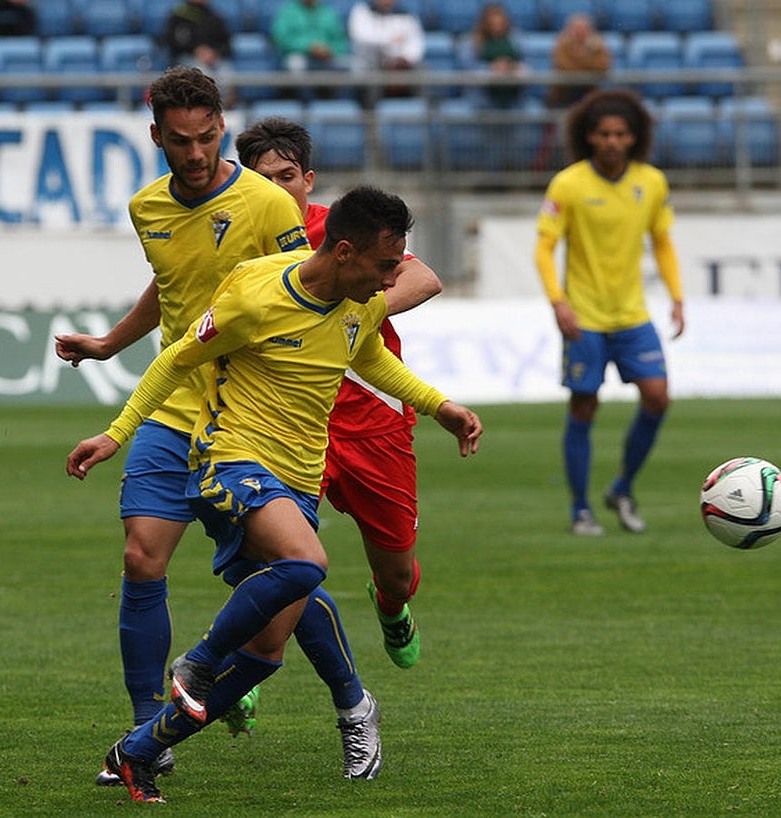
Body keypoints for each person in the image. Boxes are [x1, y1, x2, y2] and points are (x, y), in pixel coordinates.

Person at [67, 184, 483, 803]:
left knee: (265, 653)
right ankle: (200, 662)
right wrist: (117, 433)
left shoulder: (361, 303)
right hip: (231, 460)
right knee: (306, 563)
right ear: (344, 251)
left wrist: (438, 405)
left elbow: (368, 357)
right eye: (384, 265)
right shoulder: (255, 294)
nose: (391, 280)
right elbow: (178, 359)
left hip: (298, 480)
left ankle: (139, 752)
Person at [54, 66, 387, 785]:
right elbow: (174, 284)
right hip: (174, 407)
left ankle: (352, 701)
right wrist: (110, 344)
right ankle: (148, 729)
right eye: (181, 141)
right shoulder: (147, 208)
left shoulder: (267, 204)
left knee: (288, 581)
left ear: (221, 129)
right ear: (157, 138)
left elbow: (308, 290)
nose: (197, 153)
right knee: (142, 558)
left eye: (207, 137)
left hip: (246, 421)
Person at [236, 116, 440, 670]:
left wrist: (351, 313)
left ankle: (391, 606)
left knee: (398, 572)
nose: (276, 189)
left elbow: (424, 279)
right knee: (283, 559)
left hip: (373, 419)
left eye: (286, 176)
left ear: (308, 179)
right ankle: (242, 671)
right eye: (262, 180)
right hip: (288, 424)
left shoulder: (340, 232)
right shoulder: (238, 246)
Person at [533, 88, 685, 536]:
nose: (613, 142)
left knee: (658, 397)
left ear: (634, 137)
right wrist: (558, 301)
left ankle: (621, 487)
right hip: (585, 317)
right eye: (604, 134)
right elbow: (544, 247)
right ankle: (581, 508)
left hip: (632, 314)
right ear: (589, 137)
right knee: (585, 405)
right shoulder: (569, 184)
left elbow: (662, 242)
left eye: (621, 134)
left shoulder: (651, 182)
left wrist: (677, 297)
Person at [347, 0, 425, 101]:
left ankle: (422, 107)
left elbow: (416, 43)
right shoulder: (362, 11)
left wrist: (405, 59)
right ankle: (371, 108)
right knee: (372, 73)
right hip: (374, 63)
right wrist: (389, 39)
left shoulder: (407, 15)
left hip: (402, 64)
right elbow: (361, 37)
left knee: (421, 70)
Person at [270, 0, 351, 78]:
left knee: (352, 64)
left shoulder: (328, 12)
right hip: (301, 56)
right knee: (295, 63)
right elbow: (281, 39)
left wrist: (330, 50)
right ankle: (297, 88)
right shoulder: (288, 12)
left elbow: (341, 41)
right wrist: (308, 47)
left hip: (327, 58)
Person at [467, 2, 525, 108]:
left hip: (513, 99)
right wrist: (492, 68)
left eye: (501, 23)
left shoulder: (516, 39)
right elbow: (468, 69)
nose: (497, 26)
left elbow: (525, 65)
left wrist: (511, 66)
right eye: (492, 24)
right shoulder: (473, 42)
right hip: (482, 99)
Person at [547, 13, 611, 109]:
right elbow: (563, 66)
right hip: (564, 92)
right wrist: (587, 60)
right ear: (569, 30)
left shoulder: (598, 47)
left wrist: (578, 58)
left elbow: (602, 66)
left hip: (590, 92)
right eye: (576, 28)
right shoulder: (561, 44)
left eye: (583, 29)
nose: (580, 32)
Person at [163, 0, 232, 74]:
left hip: (214, 59)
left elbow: (225, 43)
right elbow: (173, 42)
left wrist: (214, 53)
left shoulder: (214, 16)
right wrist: (196, 51)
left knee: (226, 72)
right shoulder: (178, 16)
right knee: (201, 72)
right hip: (186, 57)